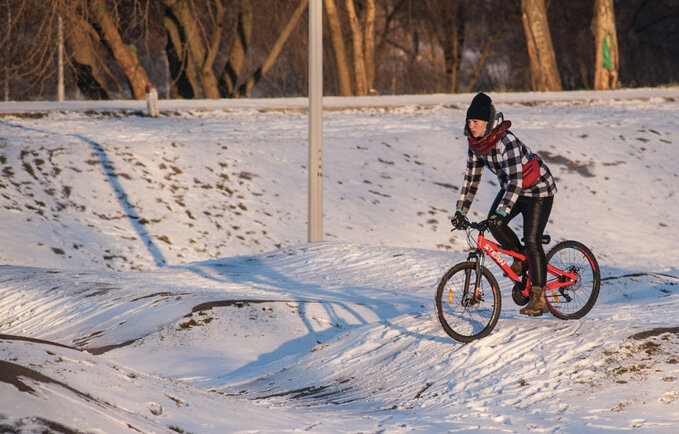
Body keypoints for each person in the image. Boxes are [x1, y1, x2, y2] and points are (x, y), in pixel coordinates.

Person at [451, 92, 557, 316]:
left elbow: (516, 181)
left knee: (531, 240)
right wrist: (461, 210)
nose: (472, 127)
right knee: (494, 224)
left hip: (538, 189)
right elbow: (471, 179)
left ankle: (538, 298)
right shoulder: (475, 145)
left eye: (476, 122)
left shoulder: (505, 141)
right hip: (513, 187)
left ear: (487, 122)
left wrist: (502, 211)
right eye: (469, 122)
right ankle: (521, 258)